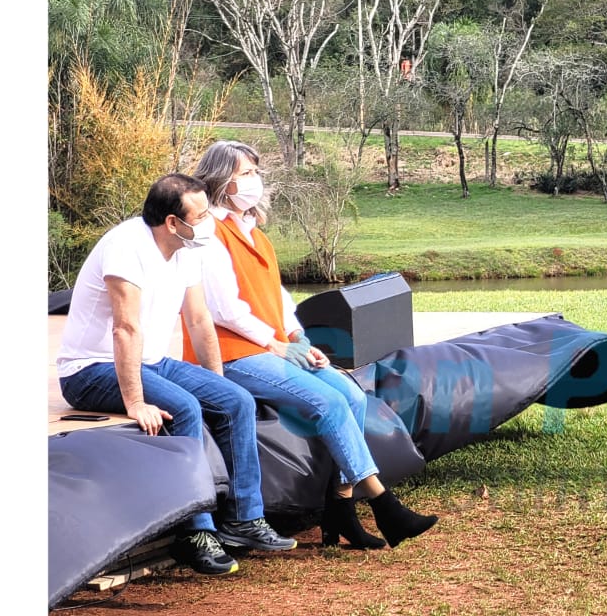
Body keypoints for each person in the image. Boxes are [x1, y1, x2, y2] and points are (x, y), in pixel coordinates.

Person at [185, 140, 438, 548]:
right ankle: (381, 501)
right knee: (331, 403)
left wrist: (299, 337)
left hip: (271, 345)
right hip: (234, 352)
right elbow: (224, 310)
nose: (255, 181)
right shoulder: (210, 235)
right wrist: (279, 347)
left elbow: (278, 297)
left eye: (255, 171)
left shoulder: (253, 233)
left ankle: (339, 507)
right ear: (222, 181)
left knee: (352, 397)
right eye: (246, 173)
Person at [57, 173, 297, 576]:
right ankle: (195, 532)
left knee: (236, 400)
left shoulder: (188, 248)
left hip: (149, 359)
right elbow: (125, 328)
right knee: (185, 407)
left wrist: (219, 380)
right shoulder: (125, 248)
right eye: (199, 214)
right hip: (91, 367)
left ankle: (242, 519)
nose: (208, 221)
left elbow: (200, 320)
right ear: (172, 221)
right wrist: (135, 401)